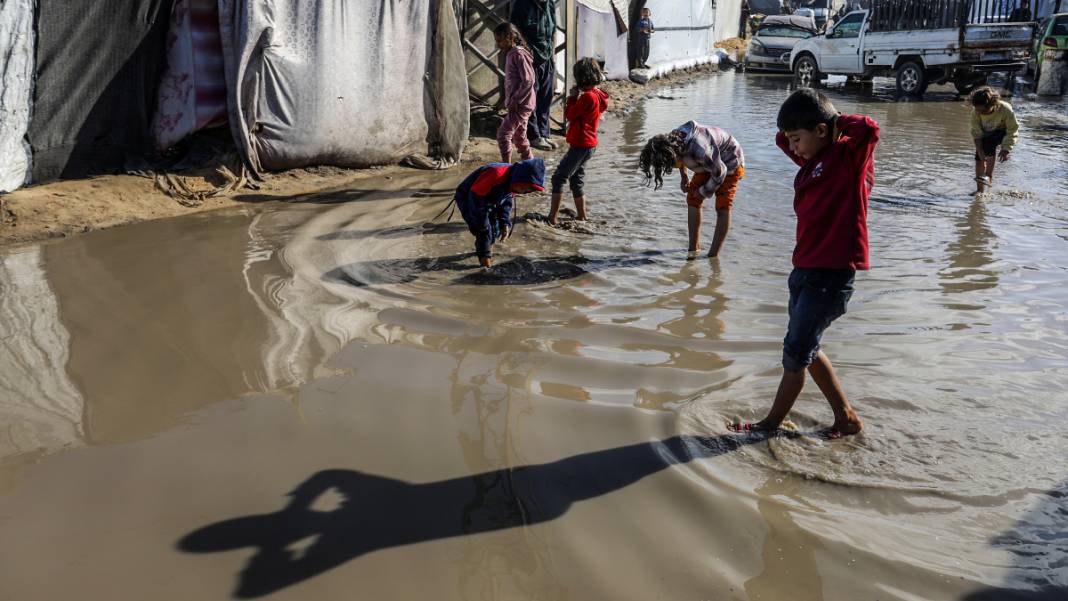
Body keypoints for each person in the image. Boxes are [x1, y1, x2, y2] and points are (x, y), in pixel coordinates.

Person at [731, 88, 879, 438]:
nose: (793, 147)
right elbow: (784, 141)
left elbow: (869, 129)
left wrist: (833, 120)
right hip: (805, 272)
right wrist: (797, 133)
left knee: (796, 354)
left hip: (830, 275)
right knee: (805, 349)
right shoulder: (813, 163)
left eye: (799, 139)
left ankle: (769, 425)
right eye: (792, 141)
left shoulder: (849, 160)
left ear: (824, 131)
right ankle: (846, 418)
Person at [639, 122, 745, 259]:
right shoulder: (673, 142)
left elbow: (720, 172)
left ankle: (713, 256)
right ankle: (693, 249)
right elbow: (679, 159)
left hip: (730, 162)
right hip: (708, 163)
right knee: (692, 199)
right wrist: (684, 177)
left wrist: (703, 192)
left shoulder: (700, 149)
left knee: (722, 207)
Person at [548, 58, 609, 226]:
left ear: (581, 79)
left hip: (581, 144)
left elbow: (570, 115)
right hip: (589, 144)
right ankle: (582, 215)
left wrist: (573, 98)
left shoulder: (587, 97)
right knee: (576, 179)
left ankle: (552, 217)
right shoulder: (598, 95)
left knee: (559, 177)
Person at [454, 158, 546, 268]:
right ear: (519, 179)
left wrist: (505, 222)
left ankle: (485, 249)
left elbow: (506, 203)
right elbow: (475, 199)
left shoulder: (515, 181)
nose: (523, 192)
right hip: (469, 196)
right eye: (524, 188)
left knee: (495, 229)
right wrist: (482, 224)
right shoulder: (497, 174)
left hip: (490, 199)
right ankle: (485, 266)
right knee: (483, 231)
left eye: (527, 191)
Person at [510, 0, 558, 151]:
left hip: (547, 56)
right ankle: (533, 136)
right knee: (531, 98)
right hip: (530, 57)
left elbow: (553, 30)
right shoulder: (522, 4)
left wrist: (553, 54)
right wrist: (526, 51)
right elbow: (515, 30)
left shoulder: (549, 3)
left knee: (546, 96)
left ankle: (544, 133)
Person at [494, 23, 536, 163]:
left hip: (520, 104)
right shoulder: (513, 54)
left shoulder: (518, 54)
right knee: (519, 137)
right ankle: (529, 164)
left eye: (500, 40)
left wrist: (515, 100)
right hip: (522, 103)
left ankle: (506, 167)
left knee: (503, 134)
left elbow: (528, 81)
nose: (498, 44)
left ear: (510, 37)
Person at [969, 86, 1019, 194]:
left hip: (1003, 132)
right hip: (986, 134)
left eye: (983, 110)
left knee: (990, 143)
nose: (980, 113)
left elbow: (1012, 130)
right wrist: (980, 151)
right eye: (978, 110)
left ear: (993, 104)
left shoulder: (1005, 109)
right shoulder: (976, 112)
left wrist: (1006, 148)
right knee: (979, 157)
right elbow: (976, 134)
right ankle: (979, 191)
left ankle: (988, 176)